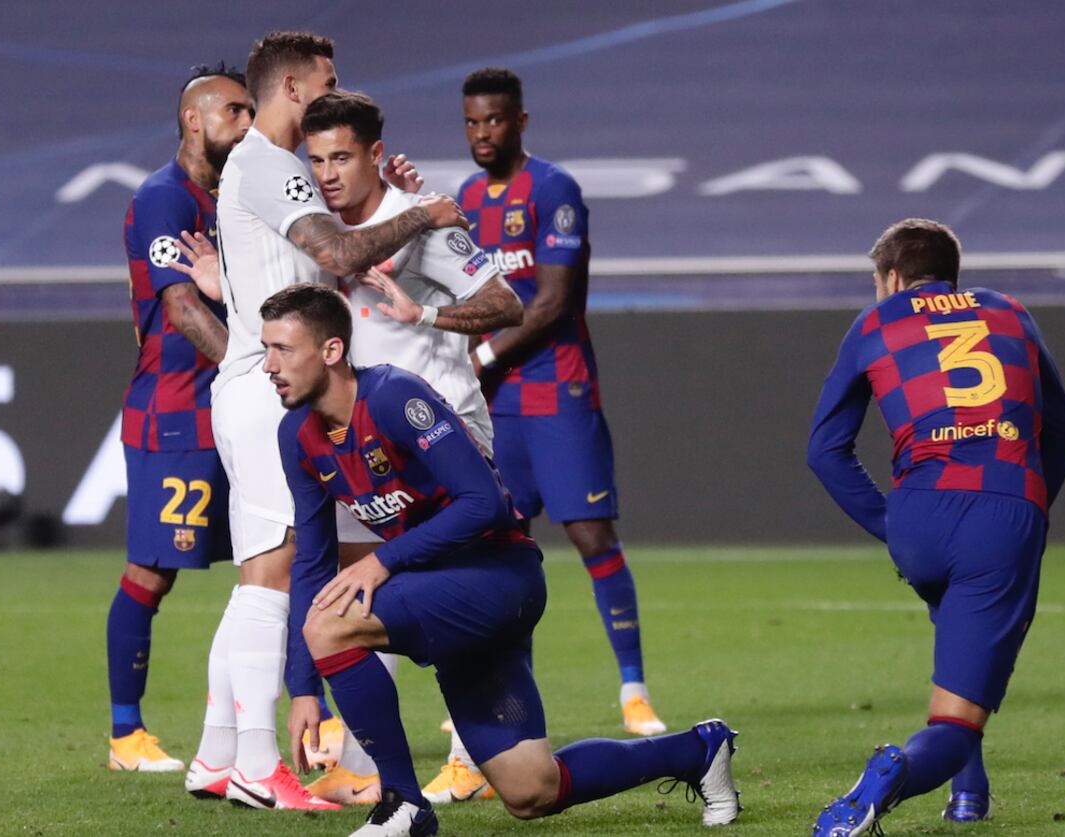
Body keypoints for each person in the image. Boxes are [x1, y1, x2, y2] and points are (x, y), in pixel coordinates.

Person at [264, 284, 741, 837]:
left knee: (331, 625)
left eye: (283, 349)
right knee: (531, 789)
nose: (269, 365)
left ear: (331, 351)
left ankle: (402, 804)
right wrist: (303, 686)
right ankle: (698, 750)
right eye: (266, 349)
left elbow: (483, 502)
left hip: (497, 579)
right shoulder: (296, 435)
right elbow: (312, 561)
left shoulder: (395, 397)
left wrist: (382, 561)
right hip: (443, 596)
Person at [187, 30, 466, 811]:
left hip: (257, 381)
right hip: (267, 383)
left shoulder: (265, 167)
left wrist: (386, 201)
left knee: (271, 568)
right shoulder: (271, 164)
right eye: (327, 79)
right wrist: (422, 215)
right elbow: (340, 255)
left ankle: (217, 752)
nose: (335, 90)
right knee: (271, 574)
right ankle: (257, 763)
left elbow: (326, 255)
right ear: (293, 89)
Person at [289, 89, 524, 804]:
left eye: (341, 157)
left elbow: (506, 302)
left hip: (442, 433)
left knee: (468, 582)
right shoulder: (323, 232)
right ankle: (366, 763)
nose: (328, 173)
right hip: (367, 439)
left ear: (374, 154)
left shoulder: (424, 226)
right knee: (361, 584)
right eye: (317, 159)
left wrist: (424, 314)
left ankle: (472, 753)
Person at [806, 219, 1065, 835]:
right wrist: (1026, 513)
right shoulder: (1010, 312)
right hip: (1001, 515)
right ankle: (888, 781)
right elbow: (1064, 435)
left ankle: (969, 797)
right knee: (958, 717)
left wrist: (892, 524)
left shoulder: (875, 323)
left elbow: (825, 450)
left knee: (957, 647)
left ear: (891, 278)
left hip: (919, 514)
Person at [456, 65, 666, 760]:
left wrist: (483, 355)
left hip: (557, 390)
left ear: (520, 121)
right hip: (497, 404)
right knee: (500, 545)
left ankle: (634, 688)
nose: (483, 133)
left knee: (591, 533)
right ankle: (501, 695)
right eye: (472, 122)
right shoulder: (464, 200)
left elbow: (550, 302)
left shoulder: (552, 190)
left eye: (495, 120)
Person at [105, 63, 252, 775]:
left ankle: (290, 722)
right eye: (234, 111)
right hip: (177, 411)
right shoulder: (164, 198)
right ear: (194, 119)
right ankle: (125, 734)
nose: (246, 123)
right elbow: (183, 307)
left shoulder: (229, 199)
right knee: (152, 571)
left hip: (228, 401)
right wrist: (250, 369)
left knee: (277, 560)